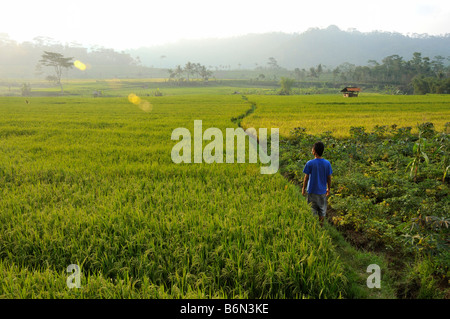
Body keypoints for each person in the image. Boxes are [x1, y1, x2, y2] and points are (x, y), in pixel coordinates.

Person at [302, 141, 332, 226]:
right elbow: (329, 178)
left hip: (311, 191)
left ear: (314, 151)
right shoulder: (327, 163)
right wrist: (328, 189)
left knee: (311, 209)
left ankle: (312, 227)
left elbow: (306, 178)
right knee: (322, 210)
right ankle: (321, 226)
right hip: (322, 191)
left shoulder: (310, 163)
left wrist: (303, 188)